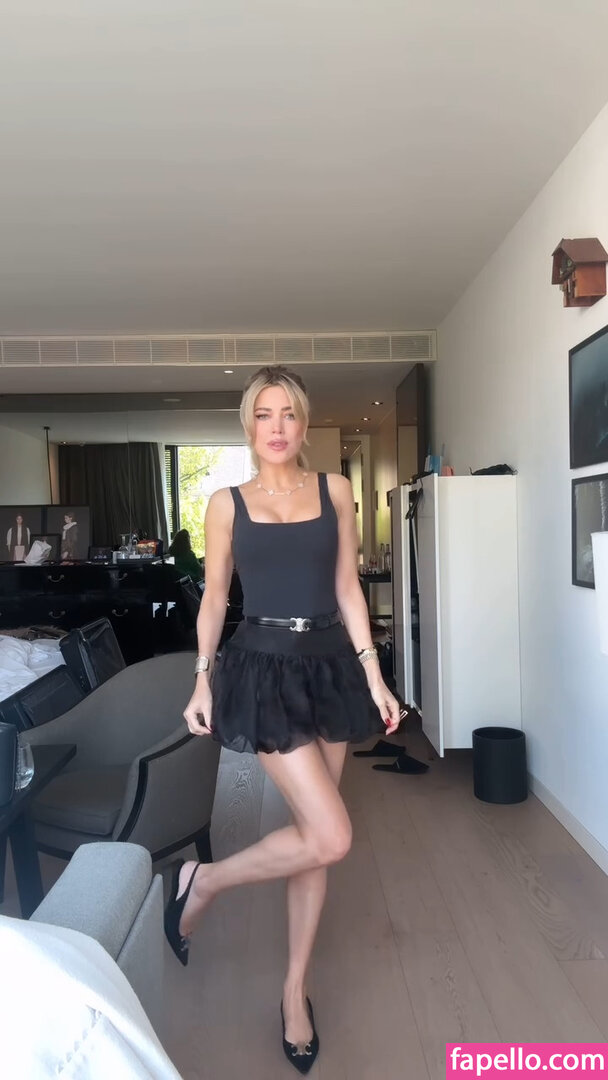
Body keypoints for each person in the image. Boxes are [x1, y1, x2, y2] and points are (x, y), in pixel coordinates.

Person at [164, 365, 402, 1074]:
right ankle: (205, 882)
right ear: (249, 424)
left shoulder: (335, 491)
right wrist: (201, 678)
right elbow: (214, 598)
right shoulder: (226, 503)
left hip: (329, 667)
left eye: (288, 414)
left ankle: (294, 991)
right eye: (264, 414)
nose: (276, 427)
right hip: (263, 669)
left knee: (315, 839)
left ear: (303, 423)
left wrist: (375, 675)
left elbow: (347, 586)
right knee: (332, 833)